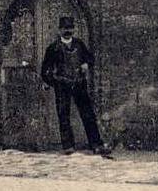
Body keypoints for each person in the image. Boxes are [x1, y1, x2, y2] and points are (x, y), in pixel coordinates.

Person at [40, 15, 112, 157]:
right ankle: (68, 146)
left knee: (88, 114)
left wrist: (86, 64)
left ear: (73, 30)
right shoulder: (53, 48)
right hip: (62, 85)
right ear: (59, 30)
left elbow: (90, 58)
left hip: (79, 84)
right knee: (63, 115)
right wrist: (53, 82)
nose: (68, 31)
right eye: (65, 29)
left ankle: (96, 144)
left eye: (70, 28)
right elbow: (45, 70)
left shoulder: (79, 44)